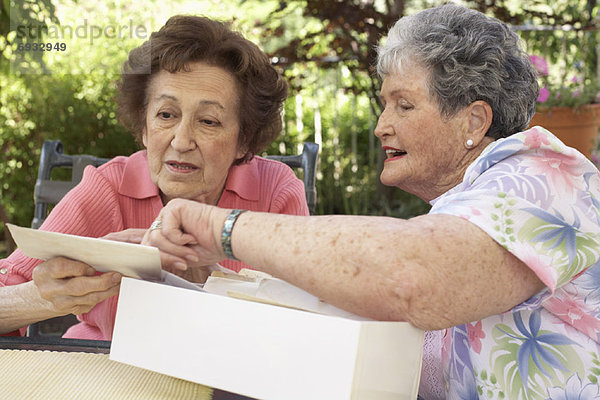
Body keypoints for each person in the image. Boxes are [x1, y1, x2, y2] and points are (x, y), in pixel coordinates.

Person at [145, 5, 600, 400]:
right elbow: (341, 300)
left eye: (403, 105)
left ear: (474, 120)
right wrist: (174, 272)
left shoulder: (545, 179)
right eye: (384, 105)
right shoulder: (462, 211)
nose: (381, 126)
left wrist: (222, 229)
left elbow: (413, 276)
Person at [0, 15, 309, 340]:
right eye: (166, 115)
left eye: (208, 121)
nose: (181, 141)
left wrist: (214, 276)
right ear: (144, 127)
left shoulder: (275, 190)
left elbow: (306, 319)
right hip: (108, 372)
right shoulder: (107, 188)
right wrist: (45, 297)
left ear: (243, 140)